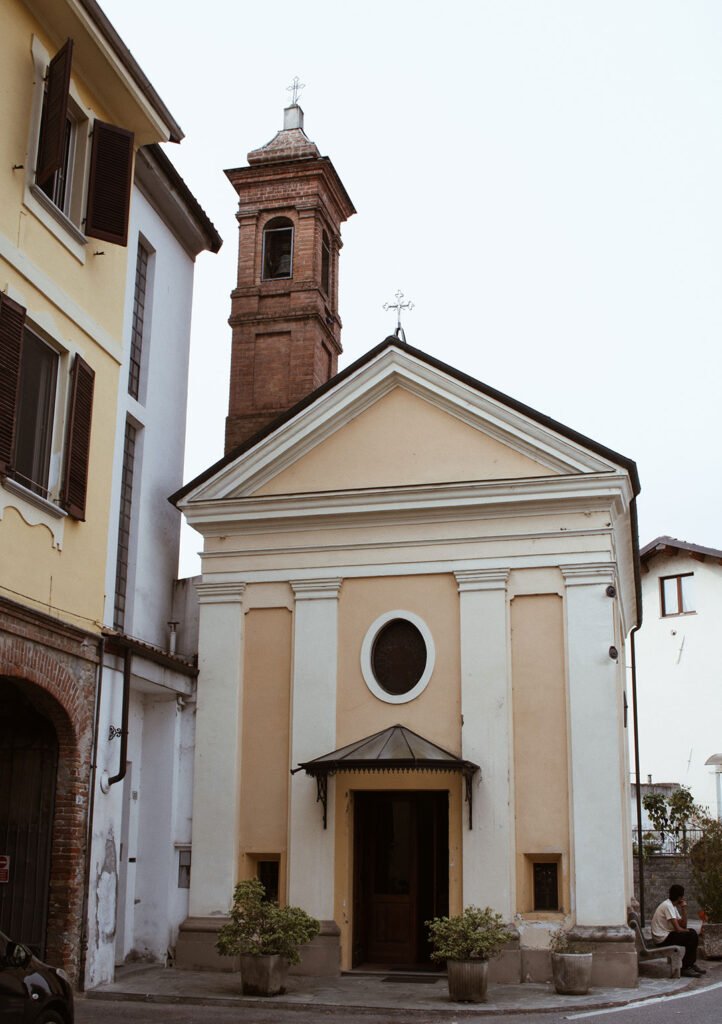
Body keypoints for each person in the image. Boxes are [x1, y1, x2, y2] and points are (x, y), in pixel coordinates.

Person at [650, 884, 706, 977]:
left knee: (692, 932)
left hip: (667, 935)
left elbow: (683, 925)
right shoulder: (668, 906)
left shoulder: (673, 906)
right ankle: (686, 967)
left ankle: (690, 965)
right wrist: (687, 931)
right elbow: (678, 929)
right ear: (680, 897)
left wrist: (683, 908)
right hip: (662, 939)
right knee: (691, 935)